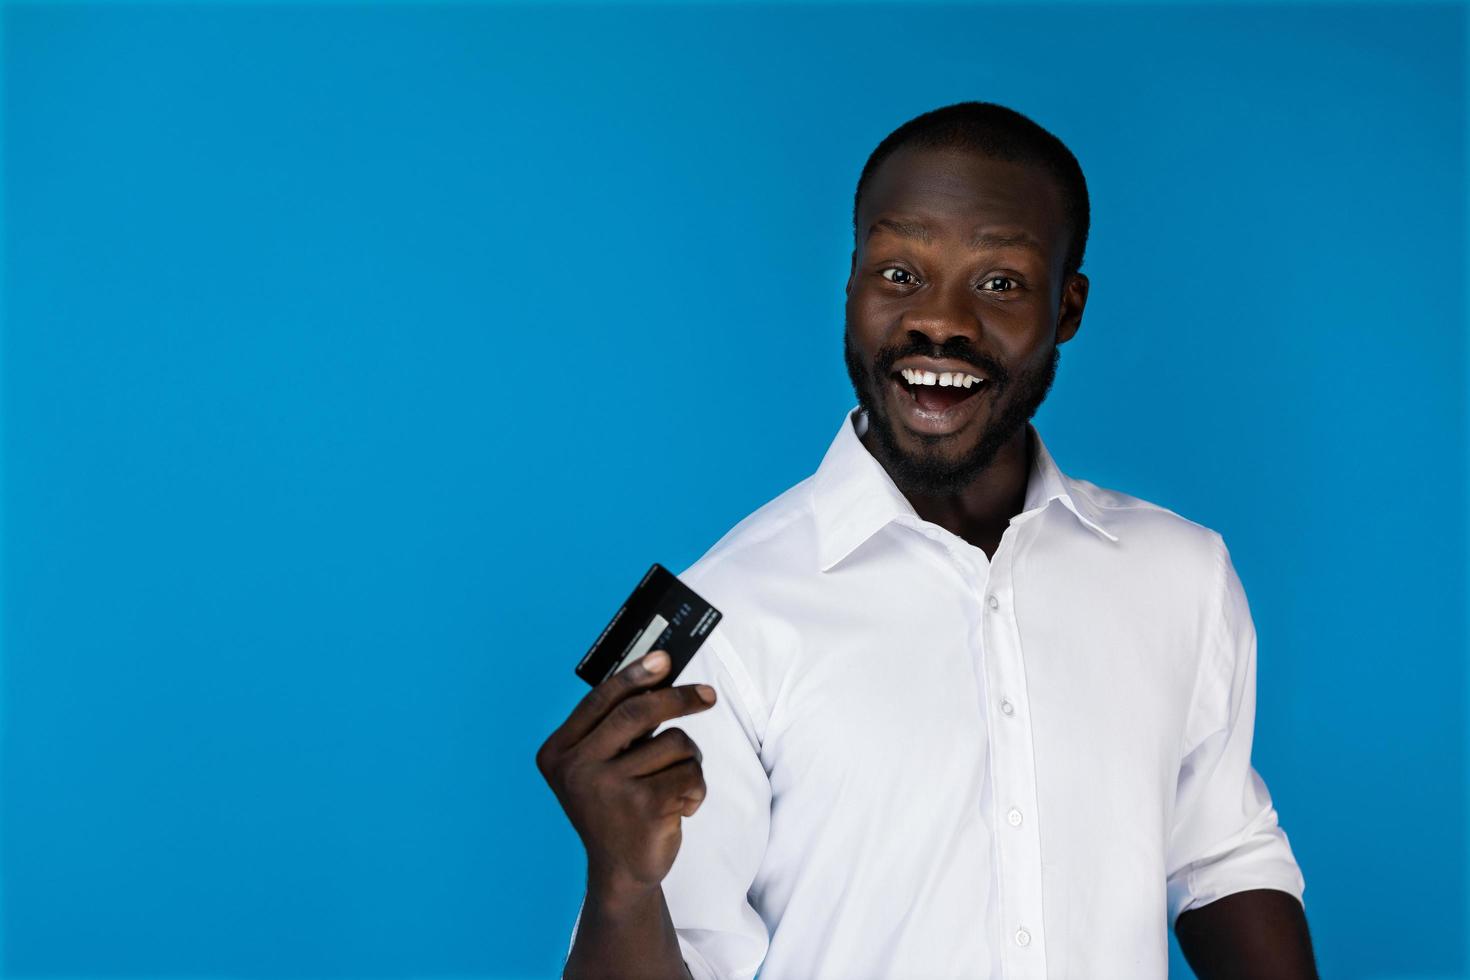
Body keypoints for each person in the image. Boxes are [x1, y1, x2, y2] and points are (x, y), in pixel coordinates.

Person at [536, 101, 1317, 979]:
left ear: (1067, 308)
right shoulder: (730, 616)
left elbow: (1221, 855)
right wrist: (620, 889)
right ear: (851, 286)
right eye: (900, 273)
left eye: (1000, 283)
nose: (937, 321)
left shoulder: (1182, 574)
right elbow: (686, 948)